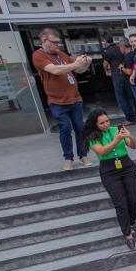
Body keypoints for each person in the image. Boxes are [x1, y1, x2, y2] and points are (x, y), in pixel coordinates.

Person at [32, 28, 92, 171]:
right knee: (65, 128)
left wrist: (86, 63)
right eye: (54, 42)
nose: (57, 45)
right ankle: (68, 157)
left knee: (80, 127)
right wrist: (77, 64)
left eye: (58, 43)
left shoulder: (61, 54)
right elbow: (55, 70)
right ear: (45, 41)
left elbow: (78, 70)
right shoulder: (38, 55)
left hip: (74, 98)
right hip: (57, 100)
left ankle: (83, 154)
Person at [81, 108, 136, 250]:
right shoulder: (92, 137)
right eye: (102, 123)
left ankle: (132, 221)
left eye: (107, 121)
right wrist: (116, 140)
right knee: (120, 203)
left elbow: (134, 146)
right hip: (109, 171)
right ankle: (127, 234)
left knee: (134, 197)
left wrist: (130, 136)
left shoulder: (117, 129)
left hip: (126, 165)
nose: (106, 124)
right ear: (95, 124)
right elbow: (102, 151)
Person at [101, 34, 136, 126]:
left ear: (105, 41)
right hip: (126, 76)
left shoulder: (108, 51)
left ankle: (130, 118)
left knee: (121, 99)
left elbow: (105, 64)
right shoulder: (120, 49)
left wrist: (106, 70)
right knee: (130, 97)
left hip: (117, 76)